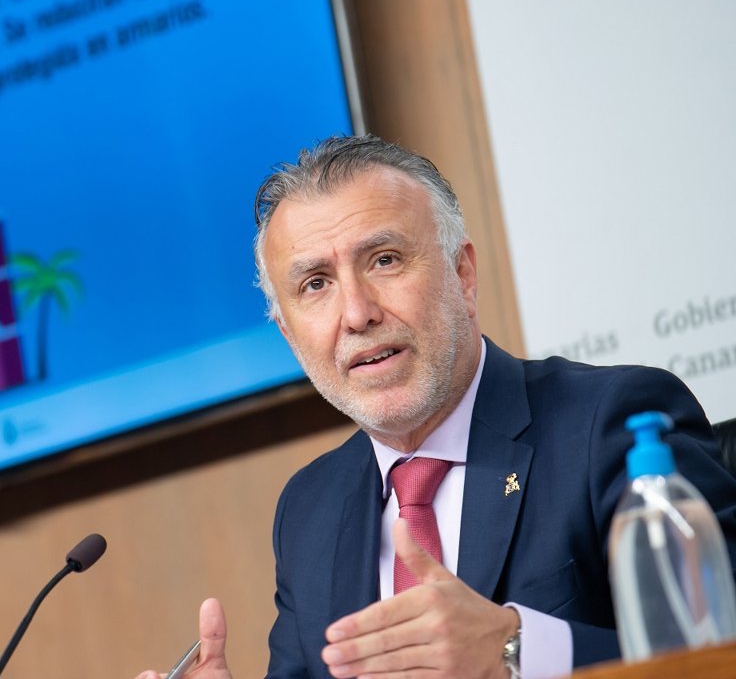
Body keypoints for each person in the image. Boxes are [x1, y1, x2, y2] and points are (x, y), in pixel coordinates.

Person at [135, 134, 736, 679]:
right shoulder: (309, 509)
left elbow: (719, 648)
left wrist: (515, 649)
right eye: (316, 284)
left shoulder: (610, 421)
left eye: (384, 259)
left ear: (462, 273)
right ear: (290, 337)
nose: (357, 313)